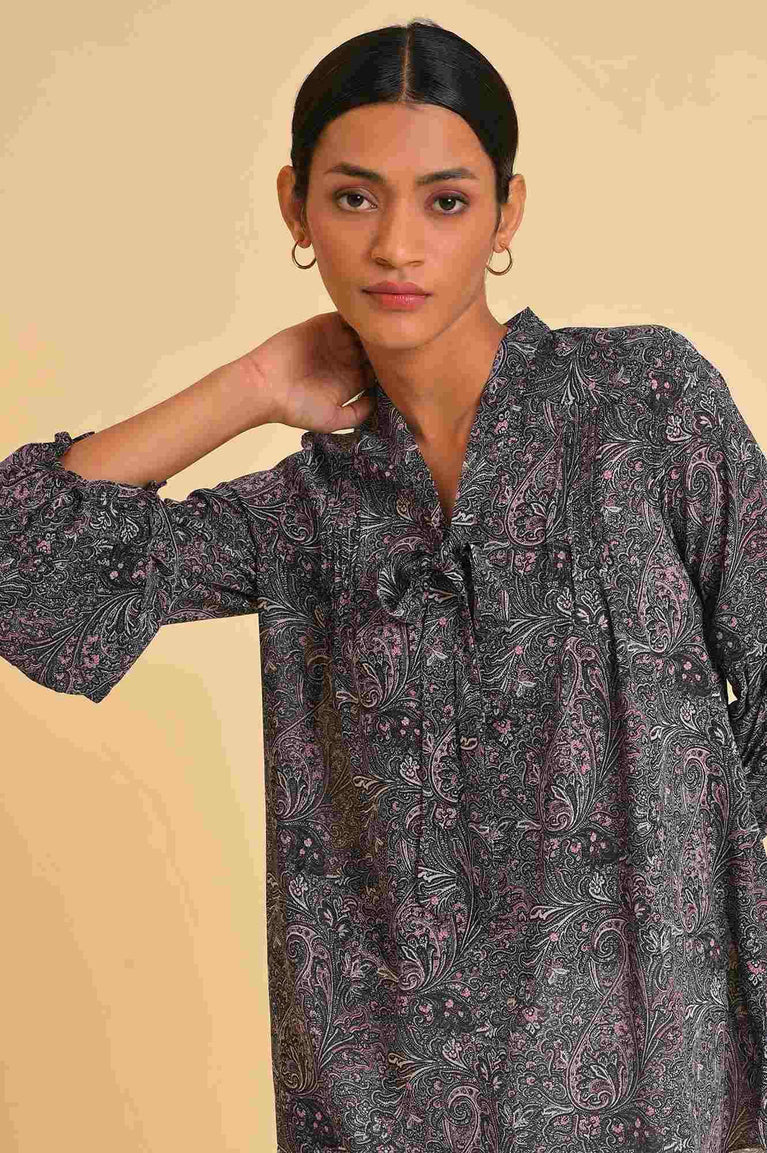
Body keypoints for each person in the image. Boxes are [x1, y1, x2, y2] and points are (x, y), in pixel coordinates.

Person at [1, 17, 767, 1153]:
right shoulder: (306, 509)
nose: (397, 245)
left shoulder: (642, 407)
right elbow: (25, 575)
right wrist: (251, 384)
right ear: (295, 208)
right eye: (354, 198)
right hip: (389, 1105)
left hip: (654, 1089)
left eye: (445, 201)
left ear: (505, 213)